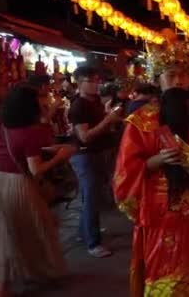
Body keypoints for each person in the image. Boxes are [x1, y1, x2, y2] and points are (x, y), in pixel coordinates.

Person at [113, 64, 189, 296]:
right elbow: (125, 170)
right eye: (171, 75)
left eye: (182, 75)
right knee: (162, 265)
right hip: (159, 208)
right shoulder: (141, 121)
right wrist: (157, 160)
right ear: (159, 80)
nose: (177, 81)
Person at [0, 85, 77, 295]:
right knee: (37, 228)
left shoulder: (4, 126)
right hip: (19, 185)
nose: (43, 103)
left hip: (1, 181)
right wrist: (61, 156)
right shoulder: (29, 133)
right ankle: (42, 272)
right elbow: (36, 169)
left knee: (8, 234)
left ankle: (14, 278)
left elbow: (15, 150)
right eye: (39, 100)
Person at [68, 67, 123, 258]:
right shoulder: (78, 106)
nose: (94, 83)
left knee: (92, 196)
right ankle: (93, 242)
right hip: (85, 155)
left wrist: (110, 119)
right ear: (78, 82)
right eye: (89, 80)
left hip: (98, 154)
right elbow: (85, 137)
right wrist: (108, 120)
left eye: (95, 79)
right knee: (91, 197)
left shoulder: (96, 102)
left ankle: (85, 233)